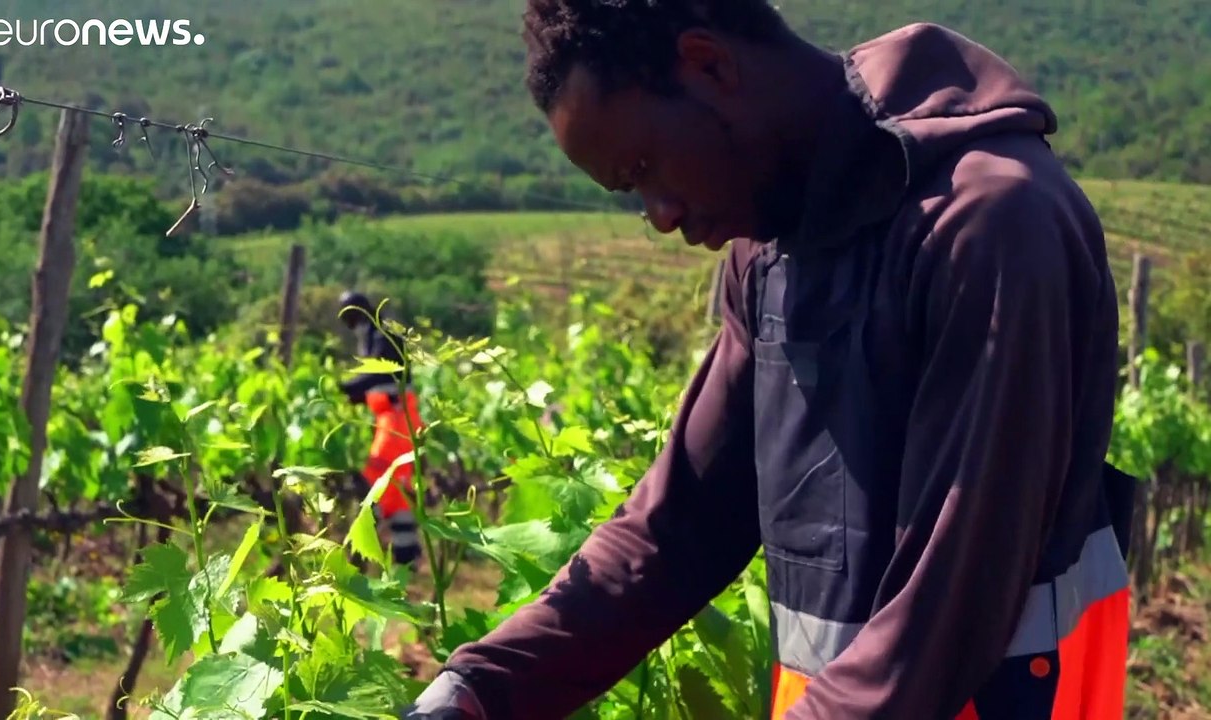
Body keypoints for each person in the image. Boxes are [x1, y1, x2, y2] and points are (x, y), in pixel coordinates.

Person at [406, 3, 1136, 718]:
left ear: (709, 63)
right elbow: (684, 520)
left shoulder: (990, 226)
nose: (658, 215)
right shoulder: (769, 248)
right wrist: (478, 688)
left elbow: (955, 597)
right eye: (631, 192)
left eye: (643, 166)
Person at [338, 290, 423, 566]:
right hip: (391, 416)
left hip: (398, 416)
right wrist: (359, 394)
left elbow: (379, 371)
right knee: (396, 486)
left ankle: (363, 543)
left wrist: (347, 387)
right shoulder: (372, 332)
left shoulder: (382, 332)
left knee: (377, 474)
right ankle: (406, 555)